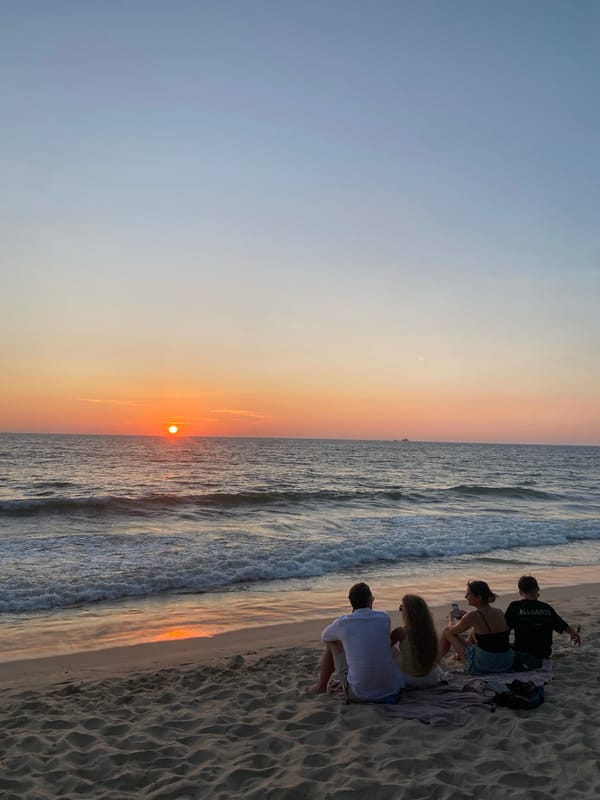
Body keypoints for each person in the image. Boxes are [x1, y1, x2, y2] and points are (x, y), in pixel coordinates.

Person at [315, 582, 405, 702]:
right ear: (371, 600)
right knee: (382, 643)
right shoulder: (384, 617)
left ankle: (321, 687)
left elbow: (325, 637)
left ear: (351, 603)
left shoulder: (343, 622)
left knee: (332, 643)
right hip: (389, 689)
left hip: (359, 694)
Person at [505, 575, 581, 669]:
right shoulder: (547, 608)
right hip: (543, 654)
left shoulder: (515, 607)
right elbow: (564, 626)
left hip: (523, 653)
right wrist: (574, 634)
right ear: (537, 589)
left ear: (521, 592)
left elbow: (504, 631)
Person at [439, 580, 513, 674]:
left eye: (469, 594)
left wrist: (450, 619)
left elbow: (452, 630)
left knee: (446, 631)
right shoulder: (499, 612)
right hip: (505, 662)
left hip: (485, 665)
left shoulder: (472, 616)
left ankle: (435, 661)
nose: (466, 597)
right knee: (474, 631)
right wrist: (465, 618)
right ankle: (458, 656)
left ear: (479, 597)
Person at [391, 594, 444, 689]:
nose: (401, 611)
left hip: (410, 681)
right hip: (431, 679)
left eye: (401, 608)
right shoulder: (430, 630)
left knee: (392, 650)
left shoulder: (400, 632)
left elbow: (383, 647)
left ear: (408, 612)